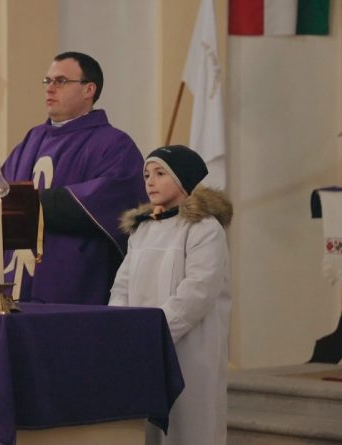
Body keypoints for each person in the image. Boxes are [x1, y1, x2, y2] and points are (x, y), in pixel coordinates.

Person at [109, 145, 232, 445]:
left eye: (160, 173)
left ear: (183, 179)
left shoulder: (204, 228)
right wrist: (121, 324)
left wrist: (156, 330)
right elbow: (122, 284)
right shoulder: (142, 230)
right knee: (146, 429)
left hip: (188, 345)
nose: (150, 181)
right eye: (147, 175)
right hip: (144, 343)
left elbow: (198, 289)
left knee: (190, 426)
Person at [1, 51, 146, 305]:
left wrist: (32, 203)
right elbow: (1, 194)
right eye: (47, 81)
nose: (50, 89)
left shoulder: (114, 144)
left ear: (89, 89)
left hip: (73, 281)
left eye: (61, 81)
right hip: (16, 277)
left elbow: (109, 200)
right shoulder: (32, 139)